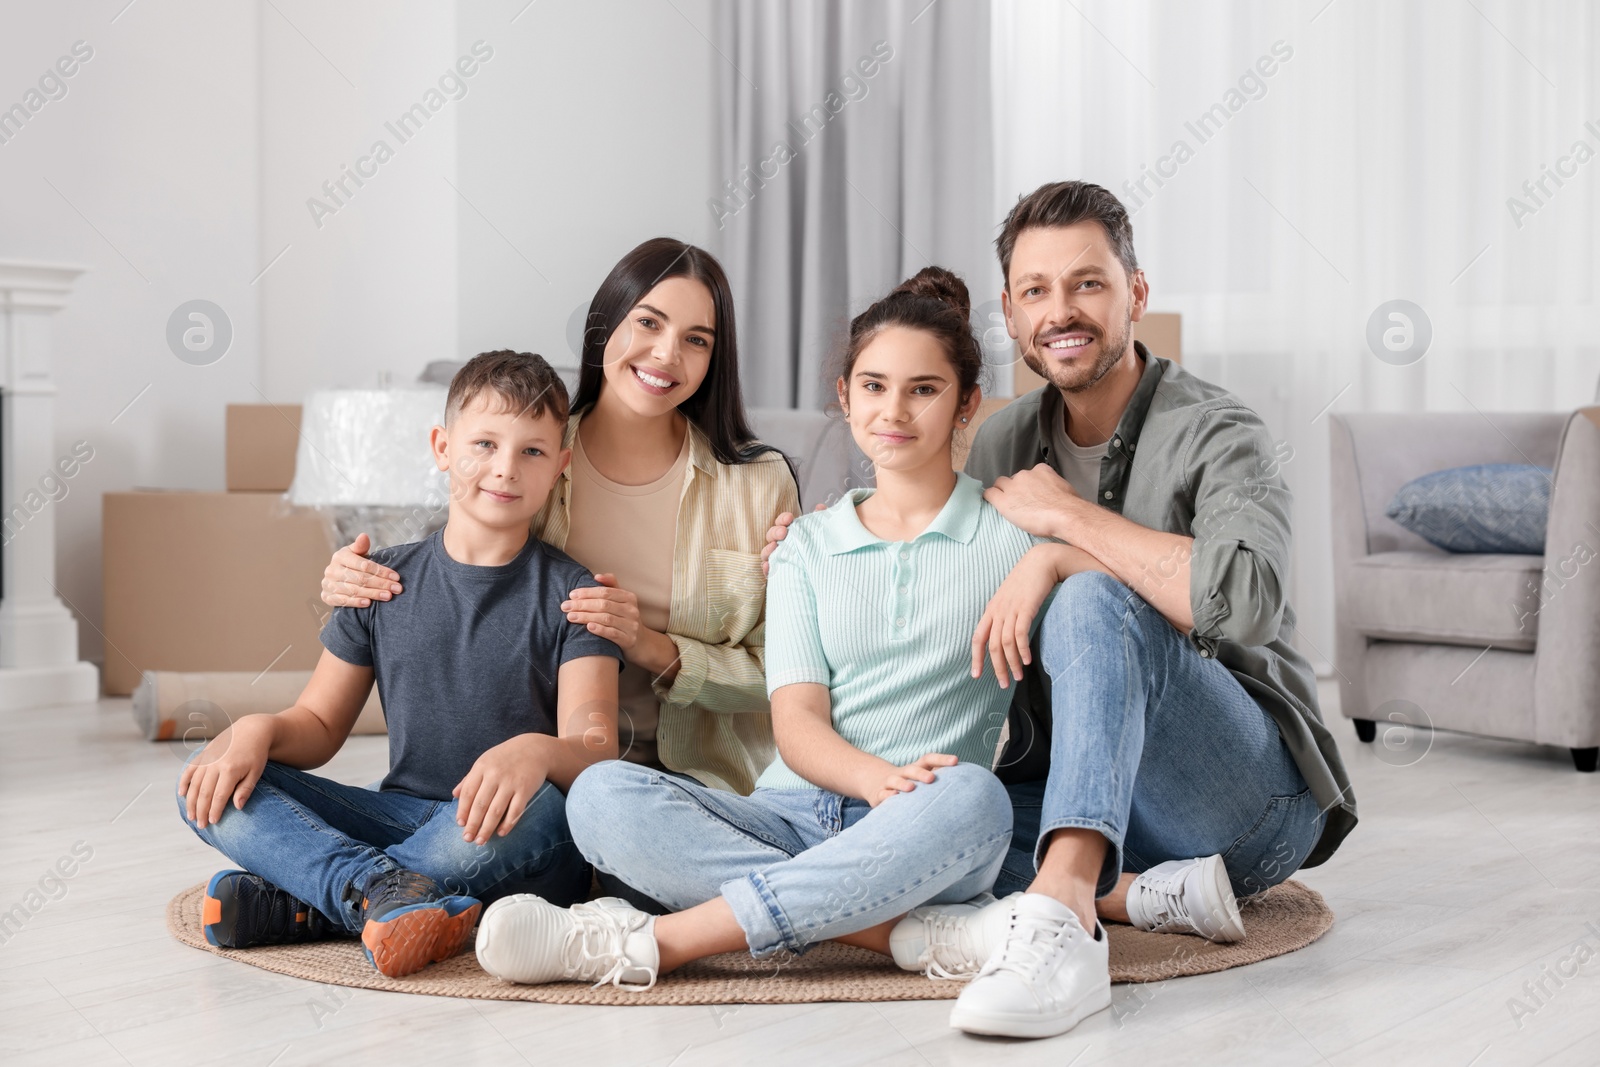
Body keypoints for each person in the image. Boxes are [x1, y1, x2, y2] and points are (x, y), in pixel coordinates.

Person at [765, 181, 1359, 1039]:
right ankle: (1132, 892)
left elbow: (1246, 600)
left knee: (1089, 601)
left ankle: (1064, 920)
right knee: (947, 808)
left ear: (1137, 294)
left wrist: (1062, 536)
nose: (1061, 311)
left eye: (1088, 283)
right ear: (1009, 310)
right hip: (1100, 798)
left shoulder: (1220, 431)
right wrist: (802, 546)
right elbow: (913, 531)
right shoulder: (1006, 439)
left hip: (1245, 801)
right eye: (1036, 290)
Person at [464, 267, 1125, 990]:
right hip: (786, 811)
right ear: (844, 397)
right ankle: (900, 934)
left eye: (923, 389)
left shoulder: (1009, 530)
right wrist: (872, 779)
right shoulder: (807, 544)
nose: (894, 411)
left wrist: (1050, 559)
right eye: (872, 386)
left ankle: (656, 941)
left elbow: (1126, 600)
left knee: (979, 798)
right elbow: (797, 723)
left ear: (966, 403)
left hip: (923, 822)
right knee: (599, 796)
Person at [176, 351, 624, 978]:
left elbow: (596, 747)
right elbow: (318, 724)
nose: (504, 468)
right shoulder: (380, 582)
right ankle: (377, 890)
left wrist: (540, 751)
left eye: (532, 452)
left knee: (551, 807)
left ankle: (313, 902)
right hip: (398, 817)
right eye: (485, 444)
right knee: (211, 780)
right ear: (443, 447)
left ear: (560, 468)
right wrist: (259, 729)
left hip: (511, 831)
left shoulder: (575, 597)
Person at [319, 239, 800, 800]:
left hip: (699, 782)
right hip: (538, 781)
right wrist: (351, 579)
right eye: (648, 322)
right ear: (604, 327)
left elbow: (786, 677)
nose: (667, 354)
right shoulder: (530, 450)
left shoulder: (759, 482)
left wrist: (650, 646)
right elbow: (449, 571)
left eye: (696, 340)